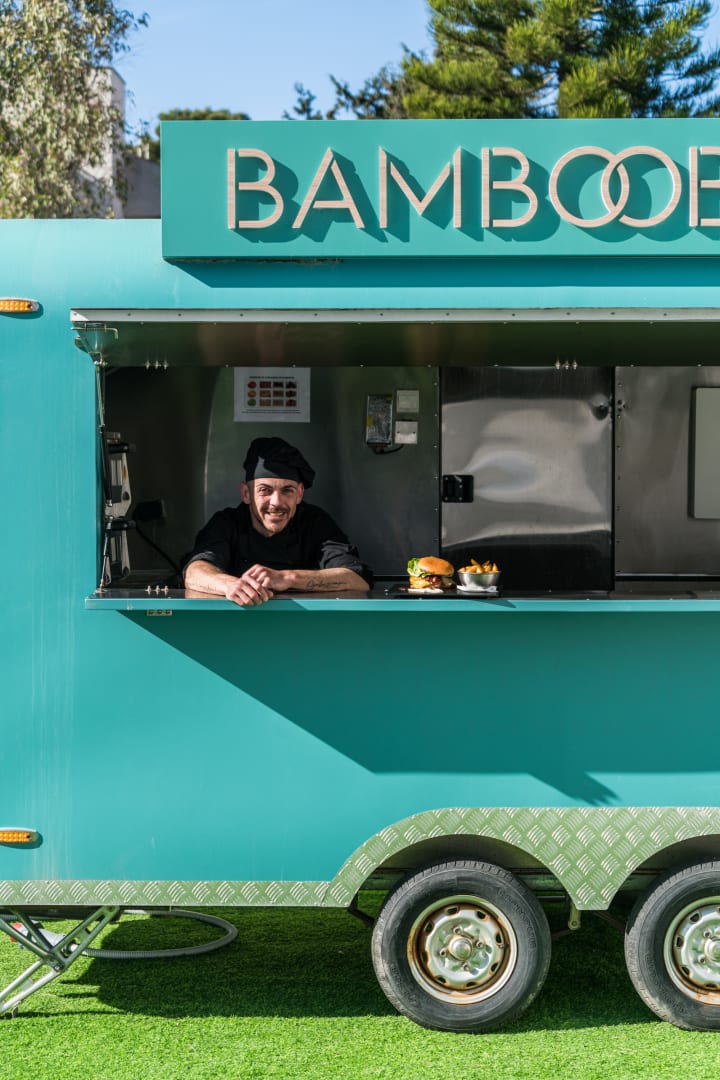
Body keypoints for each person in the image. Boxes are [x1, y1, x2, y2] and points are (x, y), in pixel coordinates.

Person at [184, 436, 372, 607]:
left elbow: (357, 577)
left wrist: (288, 578)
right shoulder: (227, 523)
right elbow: (195, 572)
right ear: (246, 493)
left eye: (287, 490)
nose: (276, 502)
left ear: (299, 494)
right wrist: (230, 584)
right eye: (265, 490)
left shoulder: (314, 522)